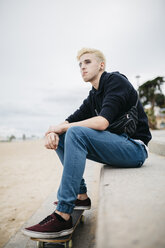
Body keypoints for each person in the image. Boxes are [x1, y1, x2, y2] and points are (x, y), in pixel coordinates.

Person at [22, 48, 152, 238]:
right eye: (80, 64)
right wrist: (53, 131)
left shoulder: (115, 81)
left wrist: (64, 128)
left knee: (73, 132)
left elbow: (102, 122)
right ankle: (80, 197)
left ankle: (63, 215)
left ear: (101, 65)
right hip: (119, 146)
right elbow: (72, 119)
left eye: (87, 62)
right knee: (65, 135)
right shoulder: (94, 95)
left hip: (135, 149)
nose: (82, 67)